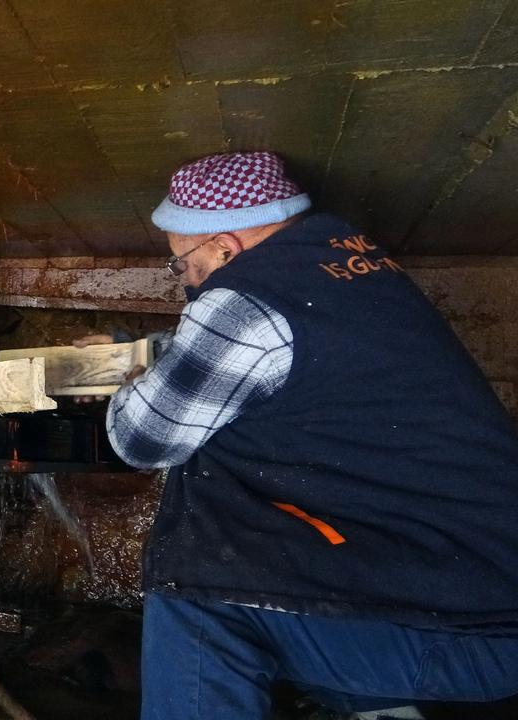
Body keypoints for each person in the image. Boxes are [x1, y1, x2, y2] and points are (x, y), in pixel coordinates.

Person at [100, 152, 518, 719]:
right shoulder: (348, 259)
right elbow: (276, 356)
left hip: (466, 634)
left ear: (225, 247)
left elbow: (142, 441)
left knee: (199, 593)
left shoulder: (243, 303)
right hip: (473, 584)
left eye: (182, 266)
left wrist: (125, 380)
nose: (185, 281)